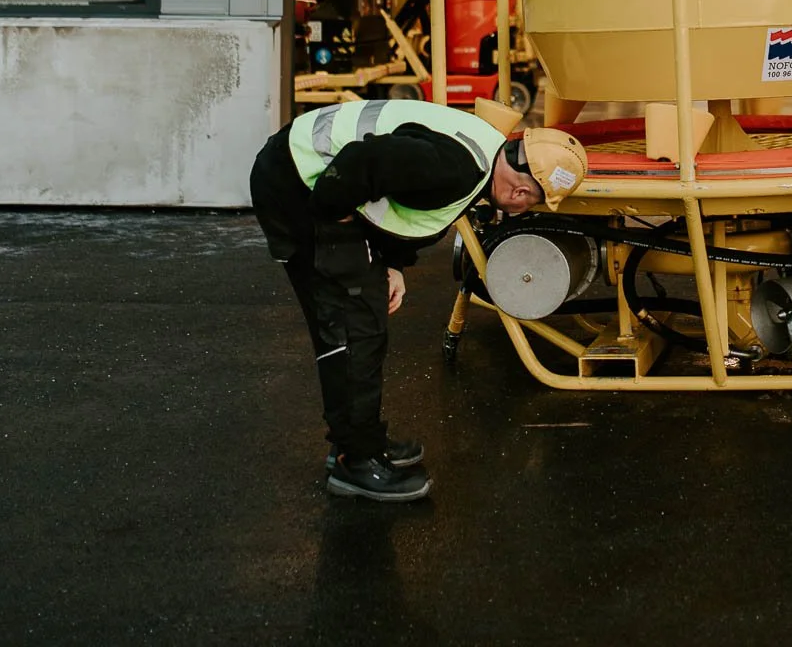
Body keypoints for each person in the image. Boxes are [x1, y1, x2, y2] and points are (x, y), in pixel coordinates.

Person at [250, 99, 588, 502]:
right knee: (354, 325)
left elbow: (399, 193)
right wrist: (334, 221)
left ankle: (356, 441)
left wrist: (391, 264)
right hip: (298, 184)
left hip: (302, 170)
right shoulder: (456, 167)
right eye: (532, 202)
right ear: (519, 190)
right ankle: (356, 461)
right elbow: (364, 162)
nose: (522, 209)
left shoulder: (481, 150)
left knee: (362, 315)